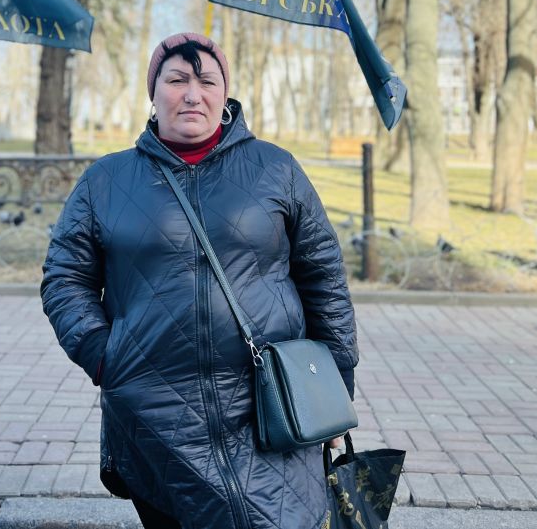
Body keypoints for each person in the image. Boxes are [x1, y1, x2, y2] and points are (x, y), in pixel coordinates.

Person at [41, 32, 357, 529]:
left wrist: (335, 386)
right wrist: (106, 355)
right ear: (154, 92)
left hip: (269, 408)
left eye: (207, 80)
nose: (193, 93)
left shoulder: (276, 169)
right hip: (155, 412)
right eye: (177, 79)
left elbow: (324, 277)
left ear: (224, 92)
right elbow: (65, 277)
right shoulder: (105, 180)